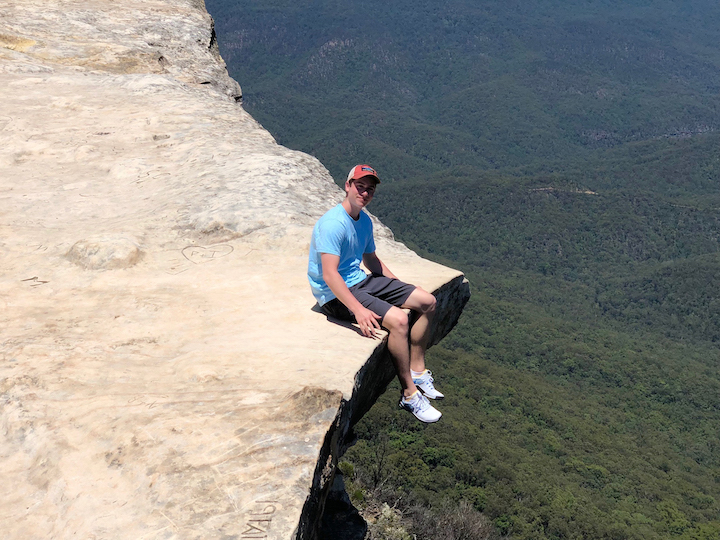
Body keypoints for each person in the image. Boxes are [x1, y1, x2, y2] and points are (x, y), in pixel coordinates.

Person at [308, 164, 444, 423]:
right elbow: (330, 275)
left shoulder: (364, 221)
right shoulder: (332, 224)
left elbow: (370, 259)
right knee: (400, 321)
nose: (365, 193)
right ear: (347, 186)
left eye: (369, 189)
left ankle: (417, 370)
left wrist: (399, 288)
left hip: (360, 280)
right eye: (360, 186)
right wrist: (358, 310)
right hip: (335, 295)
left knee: (427, 301)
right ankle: (409, 394)